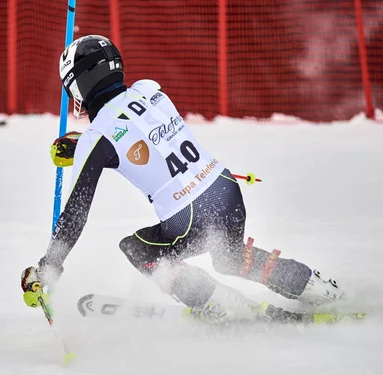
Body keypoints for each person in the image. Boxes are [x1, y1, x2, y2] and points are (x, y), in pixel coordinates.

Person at [21, 35, 344, 322]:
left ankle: (218, 304)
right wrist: (82, 148)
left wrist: (49, 266)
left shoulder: (96, 138)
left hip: (188, 216)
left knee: (138, 250)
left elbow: (76, 212)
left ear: (82, 84)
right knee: (230, 258)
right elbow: (140, 135)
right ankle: (316, 287)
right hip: (225, 188)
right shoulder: (149, 90)